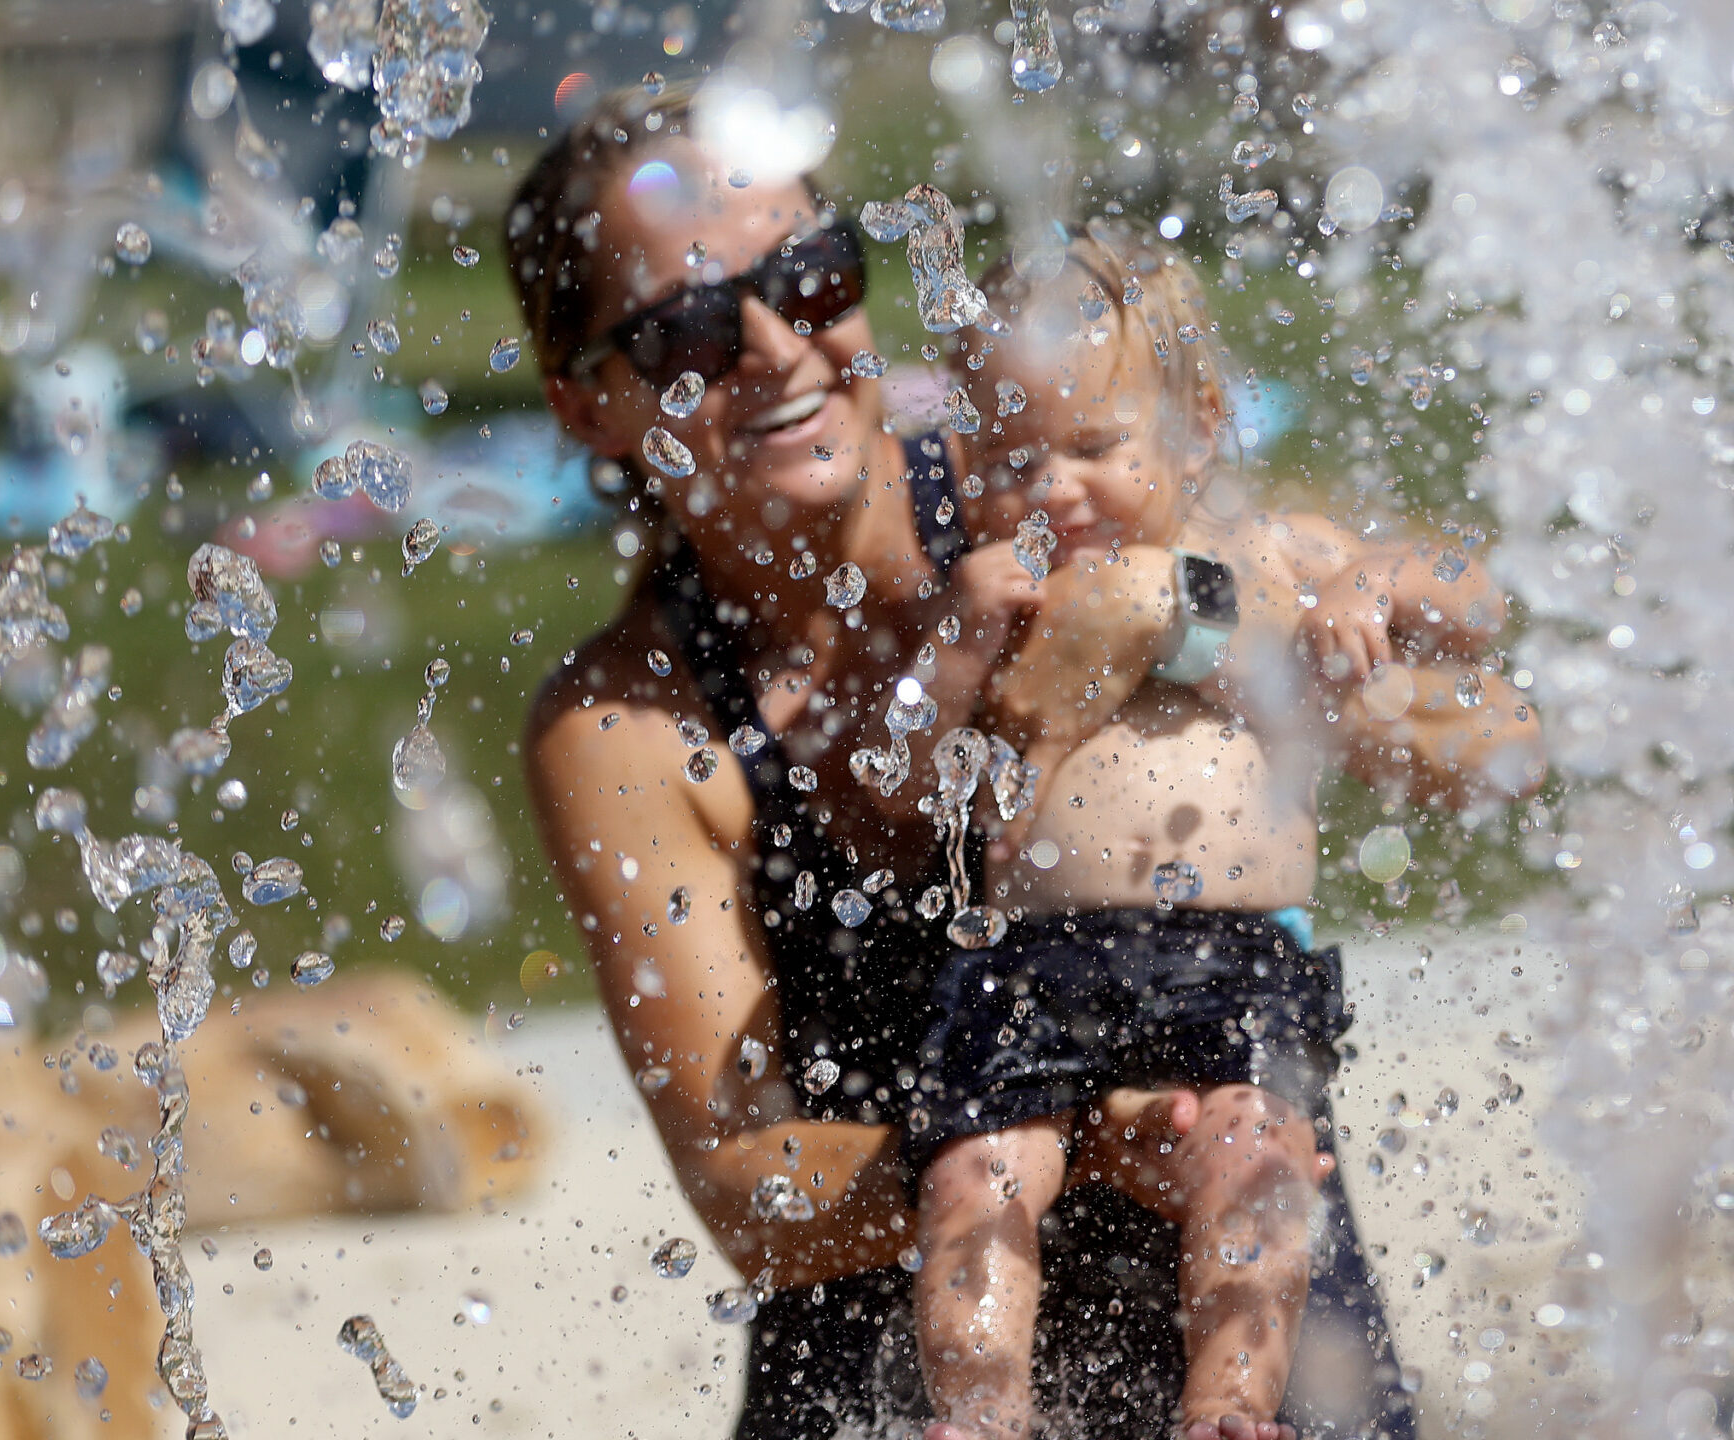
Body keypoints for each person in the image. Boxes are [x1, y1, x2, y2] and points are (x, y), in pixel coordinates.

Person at [506, 82, 1529, 1439]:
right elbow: (748, 1193)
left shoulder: (1059, 473)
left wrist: (1185, 618)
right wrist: (1064, 1134)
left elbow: (1488, 737)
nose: (776, 348)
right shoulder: (633, 726)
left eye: (812, 279)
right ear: (588, 407)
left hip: (1245, 1331)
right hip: (909, 1370)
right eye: (691, 324)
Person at [904, 227, 1530, 1440]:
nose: (1051, 491)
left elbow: (1475, 590)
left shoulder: (1269, 554)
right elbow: (916, 775)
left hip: (1229, 955)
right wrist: (967, 641)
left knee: (1260, 1162)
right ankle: (978, 1411)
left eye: (1091, 447)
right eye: (1011, 458)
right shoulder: (998, 587)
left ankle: (1230, 1409)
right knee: (973, 1181)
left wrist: (1369, 589)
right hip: (1032, 959)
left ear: (1195, 422)